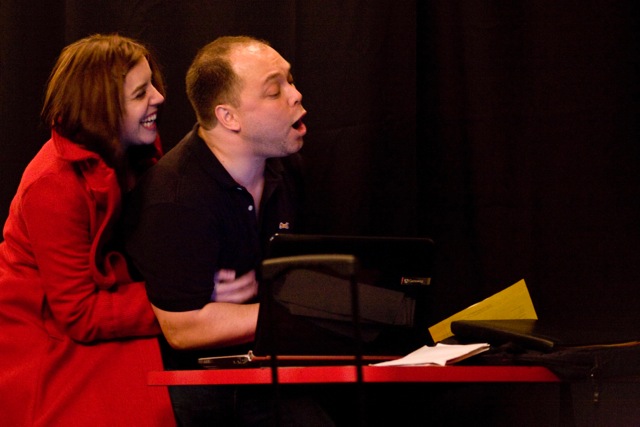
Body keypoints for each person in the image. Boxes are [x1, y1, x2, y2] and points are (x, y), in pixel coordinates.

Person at [124, 35, 335, 426]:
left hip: (272, 367)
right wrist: (305, 313)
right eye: (274, 91)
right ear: (228, 117)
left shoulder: (286, 166)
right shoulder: (174, 198)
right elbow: (182, 328)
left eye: (290, 80)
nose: (296, 95)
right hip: (200, 385)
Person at [0, 34, 175, 426]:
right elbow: (78, 313)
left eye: (152, 85)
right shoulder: (51, 184)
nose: (160, 98)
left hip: (107, 297)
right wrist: (181, 302)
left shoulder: (134, 147)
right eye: (140, 93)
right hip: (39, 329)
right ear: (101, 107)